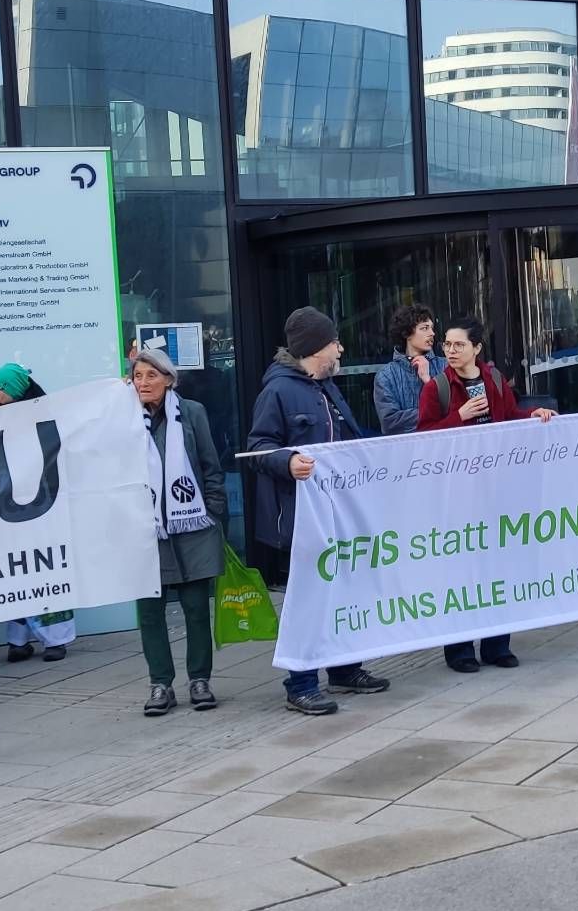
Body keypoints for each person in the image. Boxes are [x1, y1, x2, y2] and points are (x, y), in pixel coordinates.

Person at [246, 306, 391, 713]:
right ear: (315, 349)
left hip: (336, 514)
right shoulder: (277, 391)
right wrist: (287, 461)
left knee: (345, 591)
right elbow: (257, 448)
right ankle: (302, 682)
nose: (341, 348)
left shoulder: (324, 385)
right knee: (309, 600)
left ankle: (344, 669)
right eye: (334, 342)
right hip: (301, 519)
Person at [418, 318, 556, 672]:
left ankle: (497, 645)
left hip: (497, 490)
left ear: (477, 348)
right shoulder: (437, 389)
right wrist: (459, 417)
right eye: (447, 345)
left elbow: (508, 417)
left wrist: (532, 415)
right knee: (461, 571)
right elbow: (422, 440)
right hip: (457, 495)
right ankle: (460, 650)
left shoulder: (493, 379)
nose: (450, 351)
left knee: (499, 567)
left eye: (458, 345)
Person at [131, 347, 227, 714]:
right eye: (138, 376)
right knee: (150, 611)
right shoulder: (123, 417)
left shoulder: (191, 413)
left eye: (151, 376)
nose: (144, 383)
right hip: (145, 530)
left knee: (195, 607)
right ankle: (160, 684)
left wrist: (215, 514)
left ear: (169, 379)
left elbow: (210, 466)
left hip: (192, 525)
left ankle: (199, 679)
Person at [0, 361, 75, 662]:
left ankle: (55, 639)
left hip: (42, 505)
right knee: (14, 570)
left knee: (44, 570)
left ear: (11, 390)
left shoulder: (43, 415)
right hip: (6, 507)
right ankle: (18, 639)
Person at [374, 303, 447, 435]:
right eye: (425, 328)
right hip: (405, 451)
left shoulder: (445, 366)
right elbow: (390, 423)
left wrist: (429, 381)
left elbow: (456, 409)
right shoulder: (386, 375)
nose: (432, 333)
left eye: (432, 328)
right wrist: (435, 412)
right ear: (406, 333)